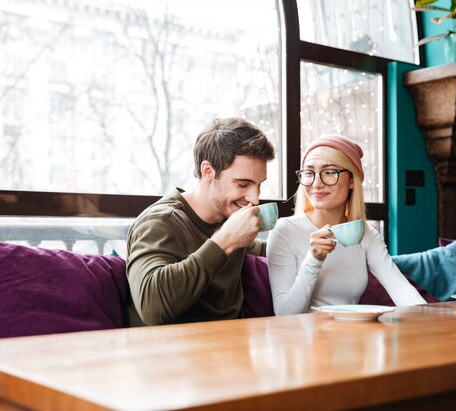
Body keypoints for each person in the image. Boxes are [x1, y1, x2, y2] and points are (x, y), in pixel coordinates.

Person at [126, 117, 276, 326]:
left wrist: (306, 246)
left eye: (259, 185)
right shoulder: (161, 222)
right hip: (174, 352)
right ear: (208, 171)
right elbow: (152, 307)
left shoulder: (226, 217)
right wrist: (225, 241)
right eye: (243, 184)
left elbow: (259, 249)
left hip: (231, 346)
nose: (254, 198)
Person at [267, 135, 426, 315]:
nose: (316, 184)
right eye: (309, 173)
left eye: (329, 172)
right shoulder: (285, 231)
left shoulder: (365, 234)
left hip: (354, 338)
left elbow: (400, 289)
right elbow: (285, 314)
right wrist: (314, 259)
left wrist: (431, 319)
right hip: (304, 340)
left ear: (352, 180)